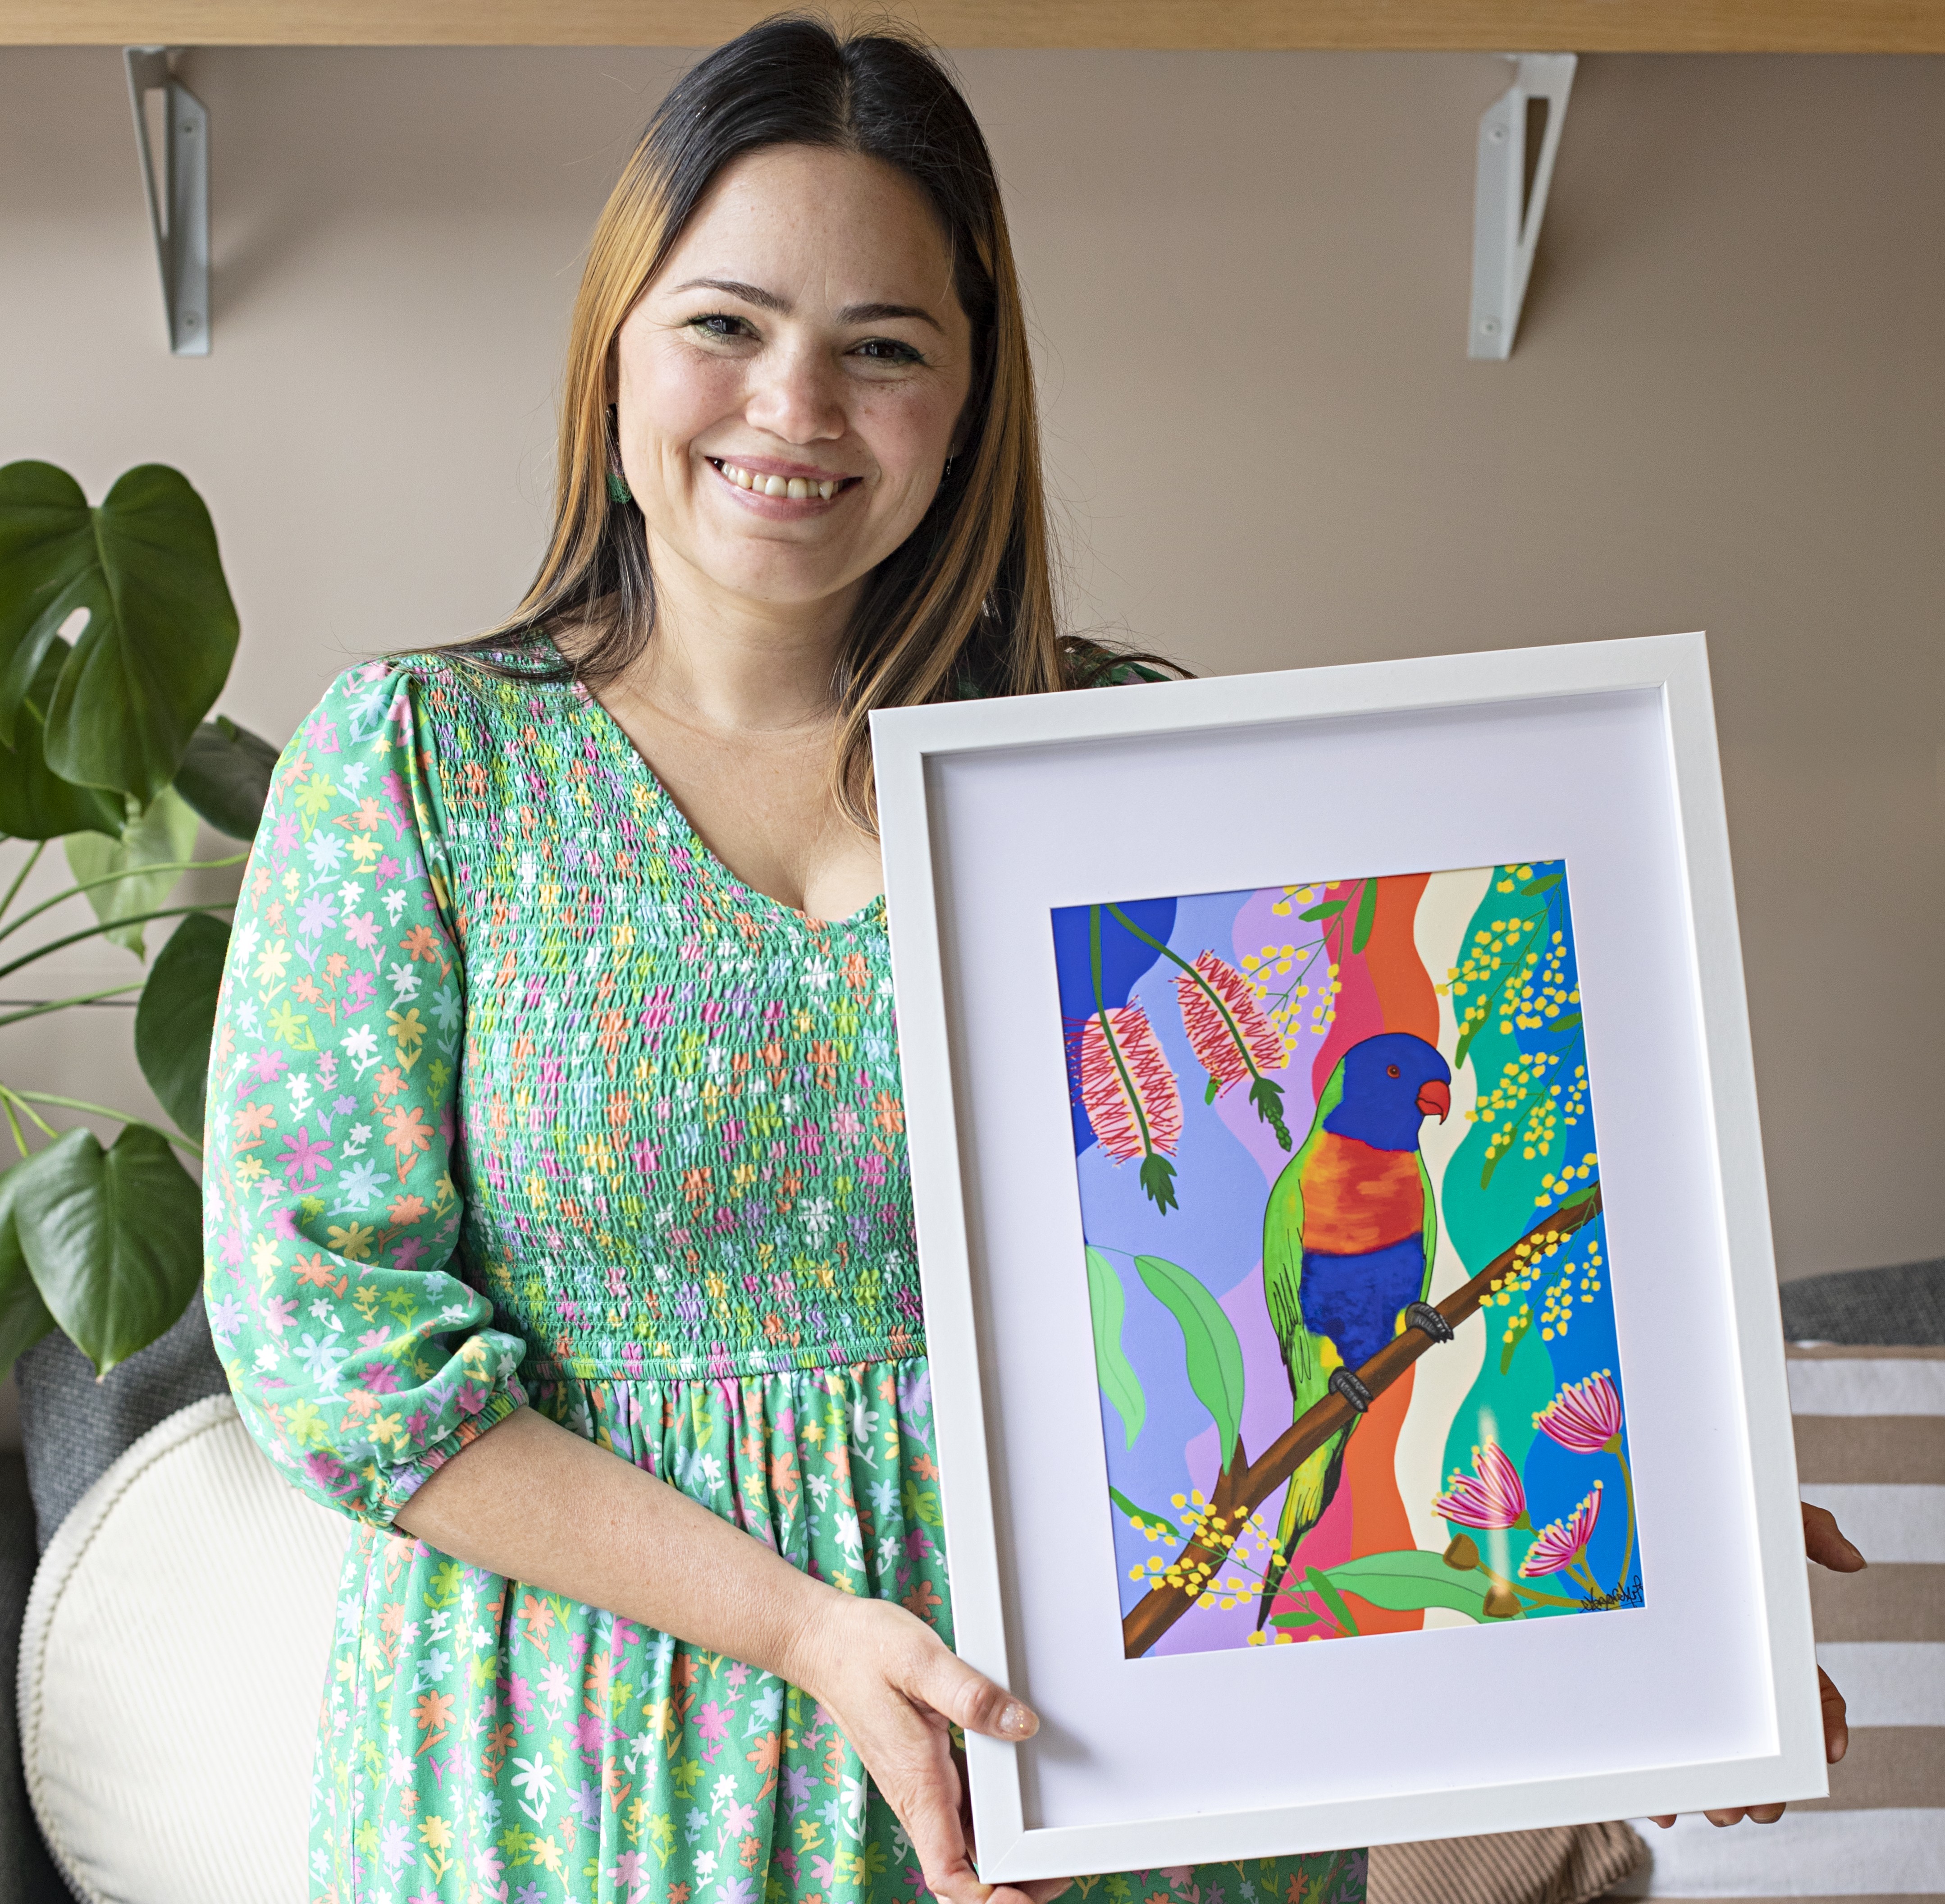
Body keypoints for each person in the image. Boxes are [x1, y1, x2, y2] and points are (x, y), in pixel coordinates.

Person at [203, 19, 1851, 1904]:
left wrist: (1652, 1545)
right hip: (579, 1788)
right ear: (614, 344)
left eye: (882, 348)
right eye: (724, 323)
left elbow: (1298, 1238)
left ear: (973, 396)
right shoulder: (420, 764)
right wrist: (807, 1630)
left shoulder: (1124, 764)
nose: (793, 408)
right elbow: (328, 1349)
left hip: (1098, 1794)